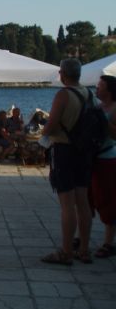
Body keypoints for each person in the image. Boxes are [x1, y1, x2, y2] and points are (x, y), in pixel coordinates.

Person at [41, 58, 94, 265]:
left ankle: (66, 252)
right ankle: (84, 250)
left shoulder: (63, 95)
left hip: (64, 150)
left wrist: (43, 134)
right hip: (84, 151)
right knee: (83, 201)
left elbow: (51, 125)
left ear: (63, 74)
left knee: (67, 204)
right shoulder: (89, 93)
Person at [90, 75, 116, 258]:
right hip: (93, 158)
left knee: (108, 199)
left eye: (100, 85)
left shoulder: (114, 108)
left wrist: (104, 122)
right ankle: (81, 237)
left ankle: (108, 242)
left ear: (109, 89)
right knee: (90, 198)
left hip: (108, 159)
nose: (97, 88)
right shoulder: (98, 107)